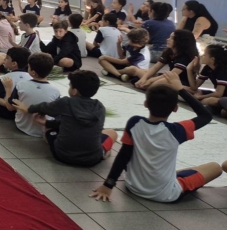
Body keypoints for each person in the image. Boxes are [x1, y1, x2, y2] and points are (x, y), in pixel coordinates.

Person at [90, 71, 224, 204]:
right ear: (175, 108)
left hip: (133, 185)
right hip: (166, 194)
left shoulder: (134, 123)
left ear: (145, 104)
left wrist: (108, 185)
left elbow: (123, 156)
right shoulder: (177, 130)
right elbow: (206, 116)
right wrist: (181, 89)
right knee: (215, 167)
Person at [13, 70, 118, 167]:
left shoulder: (66, 102)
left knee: (49, 130)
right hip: (92, 159)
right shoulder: (100, 107)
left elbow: (43, 107)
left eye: (70, 86)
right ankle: (103, 151)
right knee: (112, 133)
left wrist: (29, 109)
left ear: (74, 91)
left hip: (62, 155)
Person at [2, 53, 60, 138]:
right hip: (45, 128)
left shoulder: (21, 85)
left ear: (33, 73)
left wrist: (8, 89)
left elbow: (10, 107)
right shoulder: (55, 91)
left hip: (22, 126)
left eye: (28, 67)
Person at [129, 29, 198, 90]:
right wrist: (143, 78)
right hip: (168, 77)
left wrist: (150, 80)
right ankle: (145, 84)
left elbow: (173, 74)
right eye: (169, 37)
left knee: (159, 82)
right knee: (142, 71)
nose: (168, 39)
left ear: (180, 42)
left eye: (172, 38)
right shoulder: (169, 52)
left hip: (179, 81)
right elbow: (155, 68)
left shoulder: (184, 57)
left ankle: (188, 90)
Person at [187, 44, 227, 109]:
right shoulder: (208, 68)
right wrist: (189, 70)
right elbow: (194, 87)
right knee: (196, 92)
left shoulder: (222, 71)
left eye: (205, 55)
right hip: (220, 95)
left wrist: (200, 97)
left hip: (223, 97)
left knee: (209, 100)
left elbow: (218, 94)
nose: (202, 56)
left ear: (212, 59)